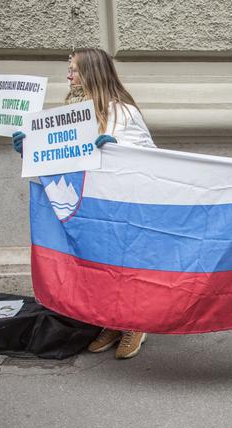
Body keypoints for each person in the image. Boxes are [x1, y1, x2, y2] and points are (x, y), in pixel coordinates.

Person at [12, 48, 156, 360]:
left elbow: (150, 159)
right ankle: (113, 322)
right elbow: (56, 160)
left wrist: (117, 149)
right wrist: (29, 150)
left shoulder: (123, 112)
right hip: (89, 206)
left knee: (124, 264)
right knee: (99, 266)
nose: (68, 76)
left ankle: (136, 324)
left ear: (90, 72)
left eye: (73, 69)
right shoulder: (71, 112)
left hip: (121, 206)